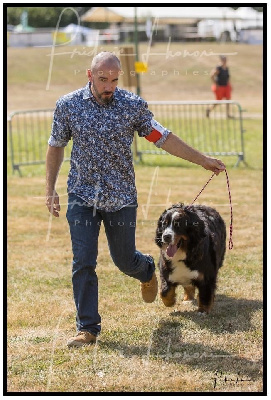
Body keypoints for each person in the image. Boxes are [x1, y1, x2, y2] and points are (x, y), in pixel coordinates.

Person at [46, 52, 225, 348]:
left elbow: (163, 137)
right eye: (103, 80)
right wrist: (49, 187)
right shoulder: (68, 106)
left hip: (121, 198)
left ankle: (145, 270)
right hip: (81, 195)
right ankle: (87, 328)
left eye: (114, 80)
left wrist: (202, 159)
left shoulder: (131, 106)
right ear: (90, 76)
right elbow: (56, 145)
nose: (109, 86)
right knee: (83, 261)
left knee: (124, 260)